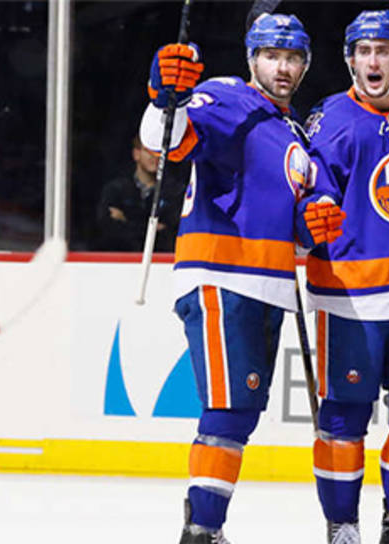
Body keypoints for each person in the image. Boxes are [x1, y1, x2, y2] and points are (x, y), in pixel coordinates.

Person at [139, 12, 313, 544]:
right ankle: (201, 531)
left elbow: (296, 225)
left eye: (293, 58)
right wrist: (163, 96)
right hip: (222, 275)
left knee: (240, 414)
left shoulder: (293, 131)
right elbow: (168, 140)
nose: (282, 68)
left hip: (269, 285)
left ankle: (205, 524)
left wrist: (312, 227)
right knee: (228, 409)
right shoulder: (226, 96)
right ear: (251, 58)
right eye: (271, 56)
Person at [295, 10, 389, 544]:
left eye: (383, 50)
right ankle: (342, 525)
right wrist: (309, 218)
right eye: (363, 51)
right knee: (344, 421)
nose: (373, 61)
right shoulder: (330, 120)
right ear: (350, 60)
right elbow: (311, 196)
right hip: (350, 300)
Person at [93, 135, 180, 251]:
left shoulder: (175, 192)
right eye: (149, 151)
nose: (155, 156)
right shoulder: (116, 190)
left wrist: (126, 220)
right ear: (136, 154)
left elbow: (170, 231)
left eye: (159, 152)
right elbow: (107, 229)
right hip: (121, 257)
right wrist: (151, 228)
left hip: (160, 258)